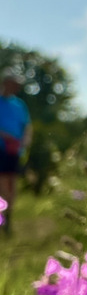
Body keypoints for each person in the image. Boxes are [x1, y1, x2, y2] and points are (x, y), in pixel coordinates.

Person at [0, 70, 31, 234]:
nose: (17, 88)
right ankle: (4, 218)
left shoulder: (20, 105)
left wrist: (25, 140)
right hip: (1, 149)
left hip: (15, 150)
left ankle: (8, 217)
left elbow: (27, 126)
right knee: (3, 183)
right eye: (14, 84)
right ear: (5, 83)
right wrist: (5, 136)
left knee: (12, 184)